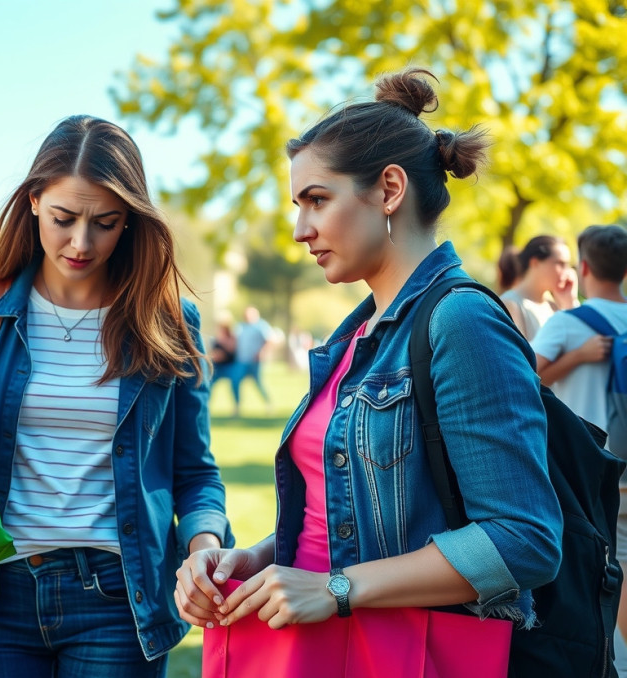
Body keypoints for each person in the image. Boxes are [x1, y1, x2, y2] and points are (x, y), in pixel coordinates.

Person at [175, 69, 562, 671]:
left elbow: (524, 540)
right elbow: (354, 510)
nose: (301, 230)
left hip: (405, 654)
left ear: (388, 189)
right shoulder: (355, 336)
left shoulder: (460, 323)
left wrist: (337, 588)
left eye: (317, 201)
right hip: (320, 650)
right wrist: (255, 559)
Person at [0, 115, 231, 677]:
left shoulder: (170, 321)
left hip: (117, 600)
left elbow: (194, 470)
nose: (81, 242)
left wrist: (203, 548)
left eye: (105, 222)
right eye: (64, 218)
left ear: (130, 221)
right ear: (33, 201)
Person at [531, 223, 627, 672]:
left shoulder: (568, 326)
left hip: (592, 471)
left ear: (584, 267)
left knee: (602, 565)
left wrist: (577, 356)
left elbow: (523, 381)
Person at [500, 235, 577, 340]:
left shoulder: (554, 305)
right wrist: (577, 355)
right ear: (535, 262)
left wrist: (570, 302)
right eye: (560, 264)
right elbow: (522, 355)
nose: (567, 272)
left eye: (568, 265)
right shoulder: (510, 304)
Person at [229, 306, 274, 417]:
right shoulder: (240, 326)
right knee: (235, 381)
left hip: (255, 362)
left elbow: (270, 340)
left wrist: (261, 352)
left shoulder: (261, 326)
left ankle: (268, 403)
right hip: (241, 361)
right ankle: (237, 406)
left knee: (258, 383)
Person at [208, 314, 237, 396]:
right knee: (209, 384)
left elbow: (232, 349)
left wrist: (222, 342)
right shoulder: (216, 337)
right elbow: (212, 353)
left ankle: (237, 405)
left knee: (235, 383)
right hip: (217, 366)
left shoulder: (232, 336)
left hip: (230, 365)